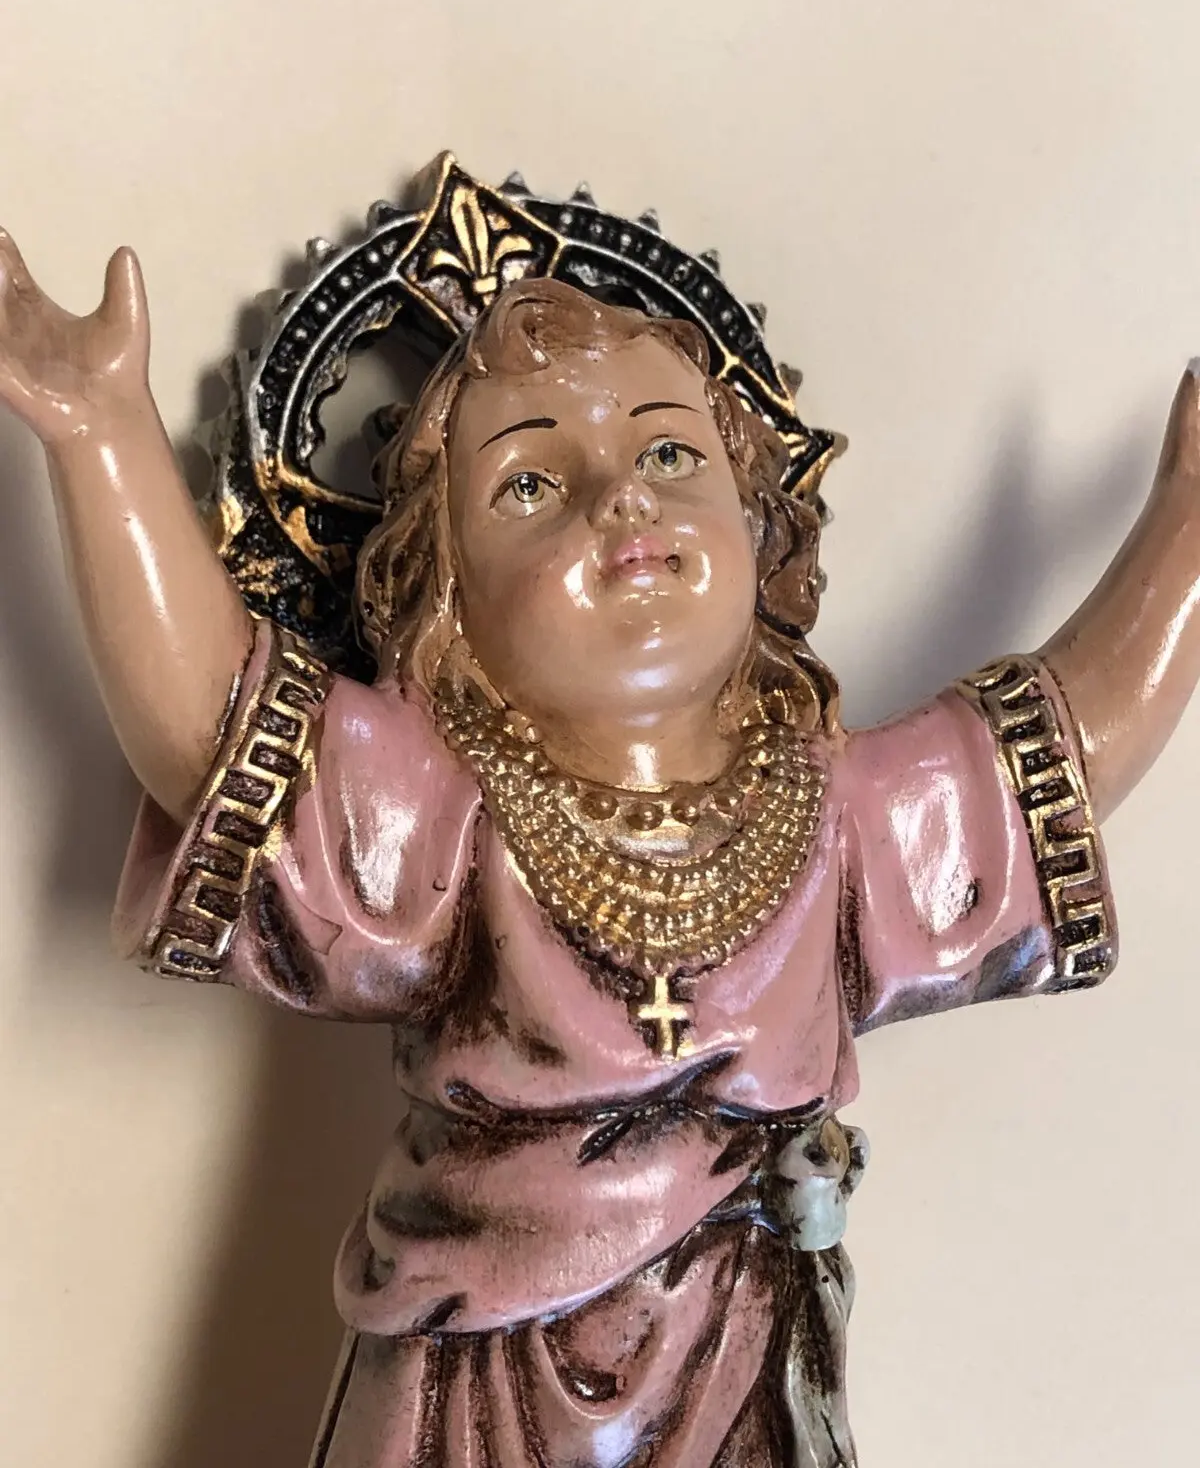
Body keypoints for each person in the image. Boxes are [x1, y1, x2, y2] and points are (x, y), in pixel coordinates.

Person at [0, 230, 1196, 1466]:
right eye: (530, 485)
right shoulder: (448, 805)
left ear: (759, 521)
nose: (622, 498)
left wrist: (1186, 525)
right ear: (446, 594)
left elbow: (1051, 755)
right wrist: (101, 435)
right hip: (480, 1378)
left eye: (669, 453)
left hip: (738, 1360)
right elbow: (212, 732)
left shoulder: (829, 810)